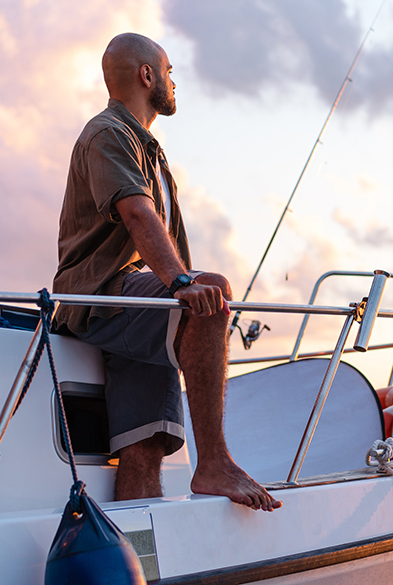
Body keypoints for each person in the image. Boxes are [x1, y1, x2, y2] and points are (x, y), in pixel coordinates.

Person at [53, 33, 281, 512]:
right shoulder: (108, 134)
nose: (175, 83)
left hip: (134, 307)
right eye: (170, 71)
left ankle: (143, 558)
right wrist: (181, 284)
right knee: (213, 292)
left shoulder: (145, 146)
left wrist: (174, 288)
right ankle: (214, 462)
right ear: (147, 75)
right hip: (103, 296)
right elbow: (138, 215)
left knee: (144, 446)